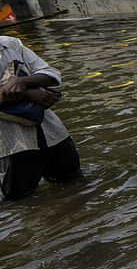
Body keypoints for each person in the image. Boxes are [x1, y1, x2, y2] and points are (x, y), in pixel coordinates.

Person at [0, 36, 82, 200]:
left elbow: (51, 74)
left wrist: (22, 81)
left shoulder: (9, 44)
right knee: (20, 200)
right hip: (12, 144)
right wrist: (27, 93)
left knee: (75, 184)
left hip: (51, 131)